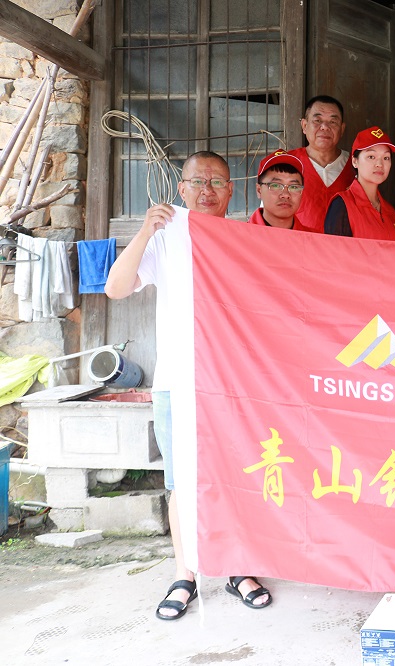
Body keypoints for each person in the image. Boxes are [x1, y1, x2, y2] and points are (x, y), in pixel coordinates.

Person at [105, 151, 273, 620]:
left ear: (232, 190)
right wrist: (145, 231)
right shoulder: (165, 238)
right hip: (178, 380)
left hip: (233, 382)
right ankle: (186, 575)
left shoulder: (245, 240)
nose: (207, 190)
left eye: (217, 181)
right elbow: (115, 288)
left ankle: (238, 568)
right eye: (198, 181)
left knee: (238, 474)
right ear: (182, 190)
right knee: (182, 480)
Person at [288, 95, 354, 233]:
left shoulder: (357, 165)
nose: (324, 127)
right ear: (304, 125)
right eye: (317, 121)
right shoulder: (286, 163)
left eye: (333, 122)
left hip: (344, 245)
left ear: (342, 129)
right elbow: (269, 216)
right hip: (297, 245)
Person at [323, 126, 395, 240]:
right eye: (371, 157)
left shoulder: (390, 211)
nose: (379, 164)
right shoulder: (342, 205)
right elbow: (334, 250)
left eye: (386, 158)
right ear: (355, 161)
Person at [249, 150, 307, 231]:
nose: (286, 194)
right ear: (259, 190)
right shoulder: (239, 236)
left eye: (294, 187)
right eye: (276, 186)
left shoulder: (315, 237)